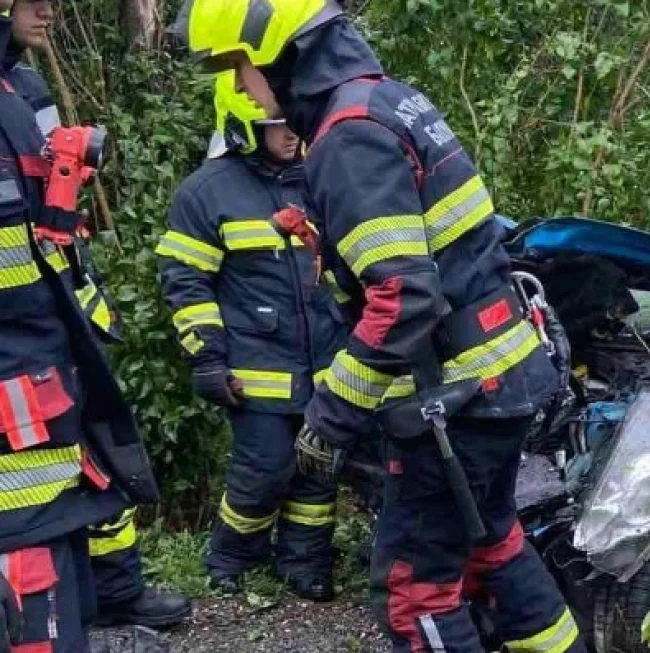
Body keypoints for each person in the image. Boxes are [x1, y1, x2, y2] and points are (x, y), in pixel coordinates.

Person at [172, 2, 585, 651]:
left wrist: (330, 414)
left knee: (414, 592)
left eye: (241, 68)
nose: (248, 93)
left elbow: (402, 297)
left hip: (452, 398)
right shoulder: (390, 101)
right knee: (492, 543)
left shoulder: (349, 134)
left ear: (280, 54)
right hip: (499, 376)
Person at [2, 0, 192, 630]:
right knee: (35, 486)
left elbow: (59, 183)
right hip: (18, 338)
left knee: (91, 456)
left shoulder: (25, 85)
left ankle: (111, 590)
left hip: (59, 316)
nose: (49, 11)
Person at [155, 70, 349, 601]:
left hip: (328, 362)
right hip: (254, 364)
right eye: (277, 125)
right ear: (243, 124)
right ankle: (231, 554)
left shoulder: (320, 177)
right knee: (264, 469)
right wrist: (208, 359)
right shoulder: (207, 191)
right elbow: (185, 281)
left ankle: (305, 562)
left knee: (318, 468)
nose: (291, 135)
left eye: (294, 123)